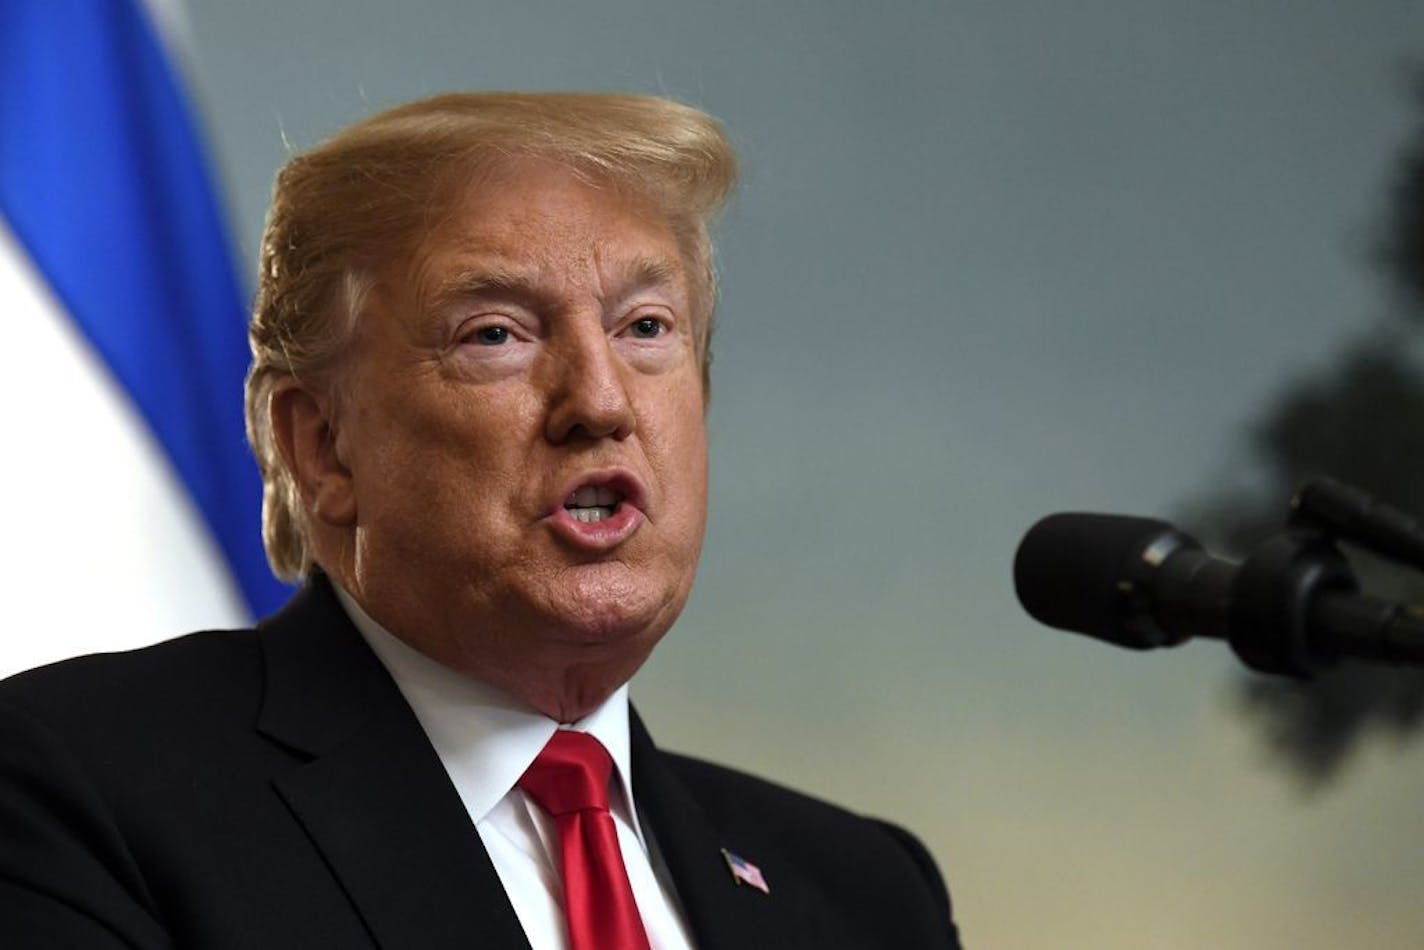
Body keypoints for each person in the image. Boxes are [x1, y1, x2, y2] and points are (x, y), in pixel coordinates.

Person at [0, 92, 962, 949]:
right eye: (496, 333)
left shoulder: (865, 893)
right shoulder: (76, 790)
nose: (601, 399)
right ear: (323, 447)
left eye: (645, 328)